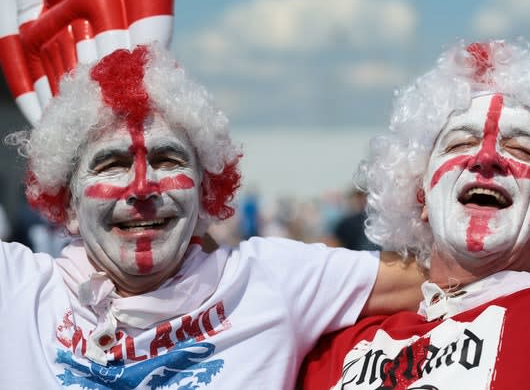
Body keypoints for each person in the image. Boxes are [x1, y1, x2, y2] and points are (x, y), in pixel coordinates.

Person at [0, 44, 425, 389]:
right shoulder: (17, 290)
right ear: (69, 206)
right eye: (111, 164)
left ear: (205, 194)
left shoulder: (272, 281)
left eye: (168, 159)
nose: (142, 188)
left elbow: (443, 275)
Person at [299, 40, 530, 389]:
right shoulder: (334, 347)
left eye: (522, 149)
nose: (487, 157)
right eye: (460, 143)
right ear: (421, 197)